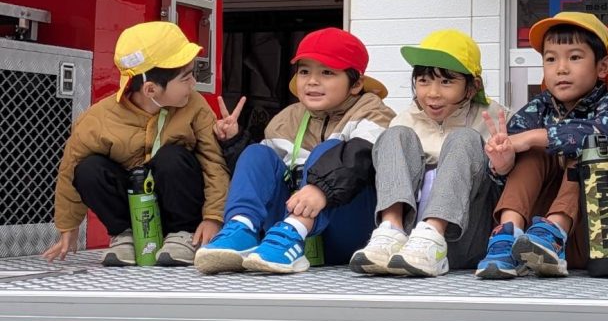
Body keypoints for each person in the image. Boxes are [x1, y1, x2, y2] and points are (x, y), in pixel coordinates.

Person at [194, 28, 394, 274]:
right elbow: (262, 179)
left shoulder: (374, 112)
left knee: (329, 151)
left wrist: (318, 189)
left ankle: (294, 231)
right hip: (278, 239)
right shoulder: (287, 118)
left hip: (347, 230)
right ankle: (241, 231)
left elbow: (358, 160)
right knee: (257, 153)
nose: (312, 81)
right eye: (304, 71)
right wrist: (234, 141)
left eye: (327, 72)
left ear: (356, 84)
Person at [43, 21, 237, 267]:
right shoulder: (98, 119)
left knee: (172, 157)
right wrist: (68, 227)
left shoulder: (195, 106)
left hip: (180, 209)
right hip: (136, 211)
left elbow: (213, 162)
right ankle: (125, 236)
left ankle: (183, 235)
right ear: (150, 89)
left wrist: (213, 217)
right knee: (88, 169)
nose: (193, 84)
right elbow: (69, 170)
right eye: (186, 77)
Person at [475, 12, 608, 279]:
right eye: (551, 59)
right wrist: (502, 164)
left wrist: (532, 138)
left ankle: (554, 232)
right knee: (529, 154)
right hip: (528, 242)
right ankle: (507, 236)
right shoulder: (537, 109)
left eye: (574, 57)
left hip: (592, 239)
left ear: (602, 67)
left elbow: (603, 132)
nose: (561, 68)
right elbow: (504, 172)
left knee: (588, 147)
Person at [350, 30, 507, 277]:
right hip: (408, 248)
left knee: (464, 138)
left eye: (446, 82)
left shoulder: (494, 119)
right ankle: (391, 231)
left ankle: (434, 236)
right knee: (394, 135)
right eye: (424, 80)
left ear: (472, 86)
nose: (433, 93)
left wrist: (502, 160)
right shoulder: (406, 120)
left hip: (465, 238)